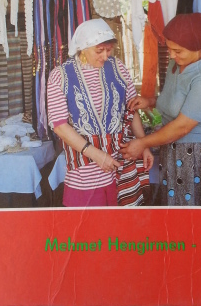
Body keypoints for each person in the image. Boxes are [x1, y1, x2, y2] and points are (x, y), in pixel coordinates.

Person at [120, 13, 201, 207]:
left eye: (178, 51)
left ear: (197, 47)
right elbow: (177, 100)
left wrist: (142, 143)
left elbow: (182, 127)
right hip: (178, 152)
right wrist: (149, 101)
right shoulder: (177, 64)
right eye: (169, 49)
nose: (171, 55)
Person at [47, 18, 153, 207]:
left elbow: (132, 109)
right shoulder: (60, 76)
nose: (105, 56)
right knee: (89, 223)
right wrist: (97, 155)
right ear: (83, 48)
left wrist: (144, 145)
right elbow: (60, 126)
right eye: (99, 51)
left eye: (109, 50)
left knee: (121, 222)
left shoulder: (118, 67)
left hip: (121, 166)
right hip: (85, 173)